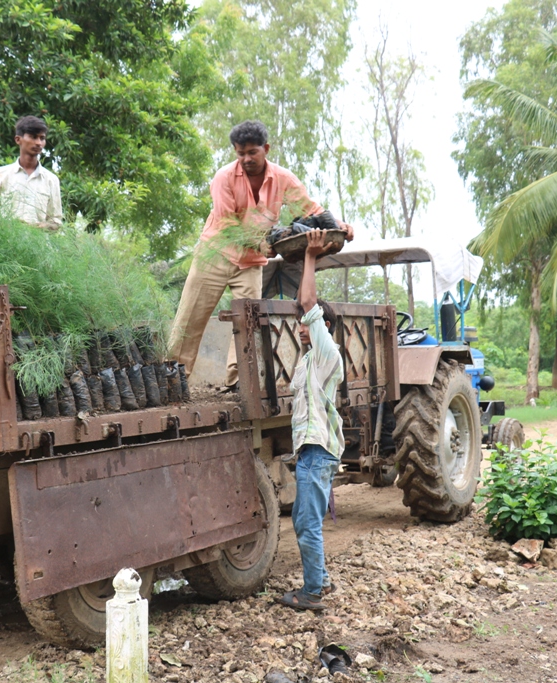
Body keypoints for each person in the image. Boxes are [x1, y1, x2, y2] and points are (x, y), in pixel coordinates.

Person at [167, 120, 353, 390]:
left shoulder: (283, 179)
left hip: (251, 264)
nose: (245, 159)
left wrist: (339, 227)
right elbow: (229, 226)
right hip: (215, 255)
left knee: (248, 323)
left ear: (265, 149)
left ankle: (238, 382)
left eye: (252, 152)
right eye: (240, 153)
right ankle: (174, 380)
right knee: (190, 319)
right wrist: (269, 243)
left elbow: (310, 208)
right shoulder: (223, 178)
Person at [278, 229, 345, 611]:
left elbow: (307, 299)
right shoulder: (307, 361)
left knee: (306, 524)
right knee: (309, 522)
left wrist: (310, 256)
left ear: (322, 326)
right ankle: (321, 581)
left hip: (317, 453)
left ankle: (312, 593)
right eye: (299, 323)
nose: (300, 327)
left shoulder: (326, 352)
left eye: (306, 322)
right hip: (311, 453)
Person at [0, 115, 63, 229]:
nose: (38, 143)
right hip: (4, 243)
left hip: (38, 244)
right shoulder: (0, 175)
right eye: (33, 137)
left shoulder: (51, 180)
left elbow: (56, 221)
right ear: (18, 139)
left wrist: (42, 227)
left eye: (42, 138)